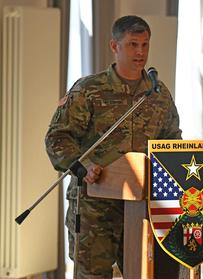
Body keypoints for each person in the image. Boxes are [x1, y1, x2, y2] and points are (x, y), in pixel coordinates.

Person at [45, 15, 182, 278]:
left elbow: (172, 142)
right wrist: (83, 166)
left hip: (141, 207)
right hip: (94, 208)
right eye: (132, 44)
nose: (140, 52)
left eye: (145, 44)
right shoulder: (89, 90)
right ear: (114, 46)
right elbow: (57, 138)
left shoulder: (158, 93)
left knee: (144, 273)